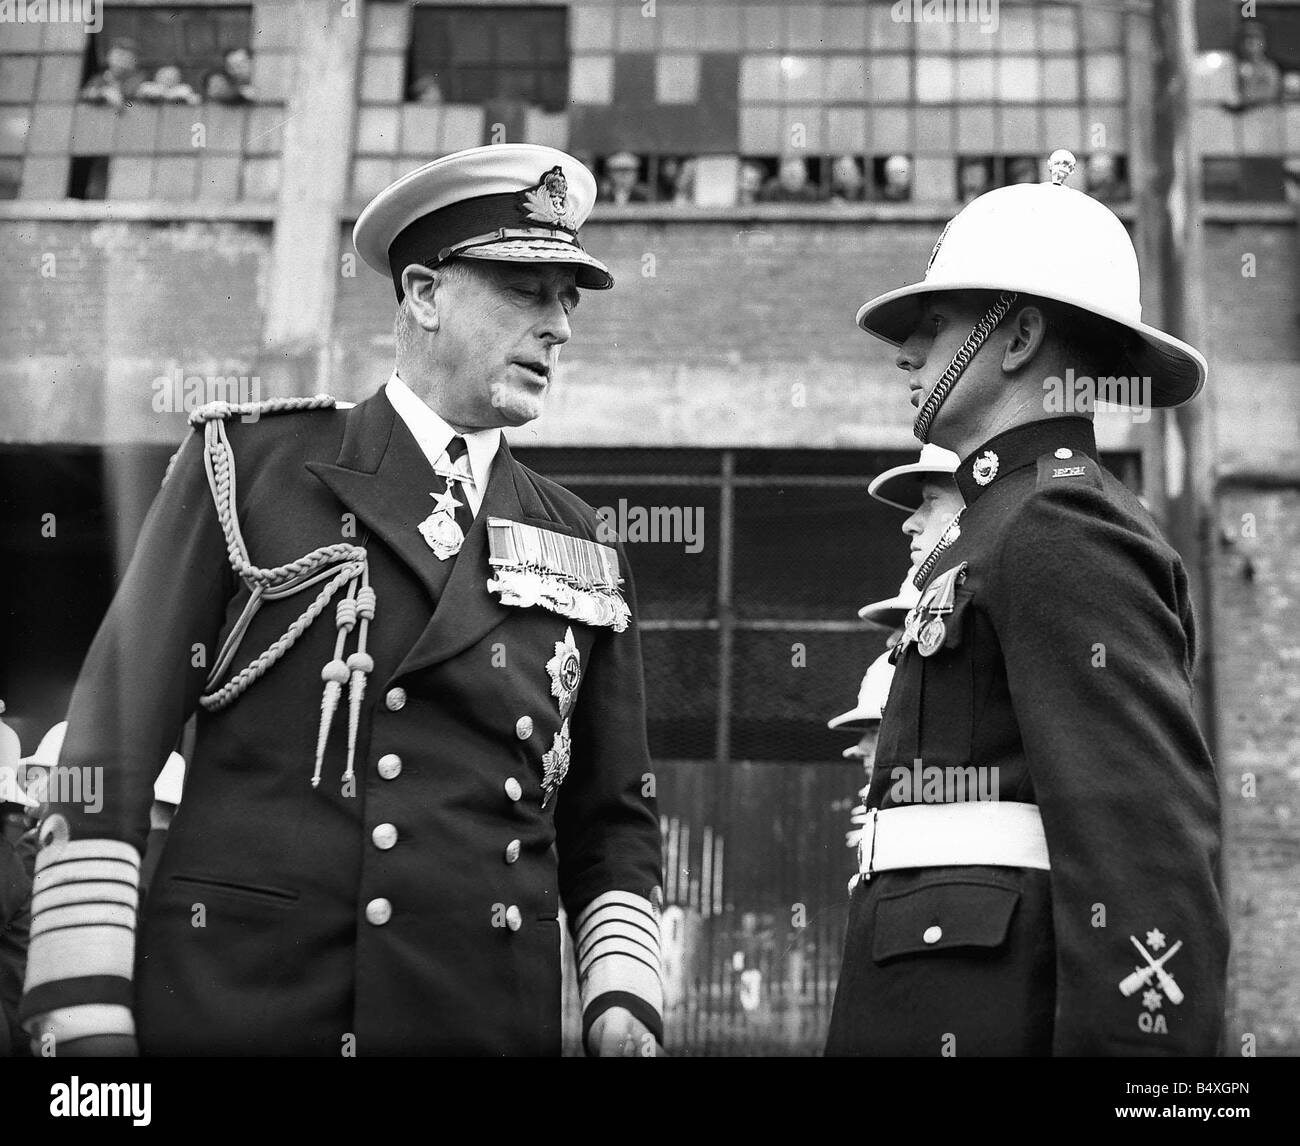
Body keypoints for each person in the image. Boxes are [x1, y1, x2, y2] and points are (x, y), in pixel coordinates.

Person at [20, 144, 665, 1058]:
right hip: (250, 1009)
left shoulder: (583, 545)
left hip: (481, 1017)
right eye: (528, 290)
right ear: (424, 293)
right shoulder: (248, 470)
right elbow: (111, 748)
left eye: (568, 298)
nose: (560, 325)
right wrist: (84, 1014)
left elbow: (611, 815)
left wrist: (622, 1003)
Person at [825, 149, 1227, 1056]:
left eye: (936, 322)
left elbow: (1145, 846)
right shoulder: (1000, 521)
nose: (908, 354)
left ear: (1015, 339)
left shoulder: (1059, 523)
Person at [79, 38, 145, 110]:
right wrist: (103, 92)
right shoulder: (99, 79)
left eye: (126, 58)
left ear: (135, 62)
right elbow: (85, 94)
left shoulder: (141, 79)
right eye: (117, 57)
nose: (120, 62)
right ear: (109, 57)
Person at [136, 65, 200, 106]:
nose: (169, 79)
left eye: (173, 76)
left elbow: (195, 100)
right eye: (165, 75)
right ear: (157, 76)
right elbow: (138, 97)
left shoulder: (184, 88)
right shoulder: (147, 86)